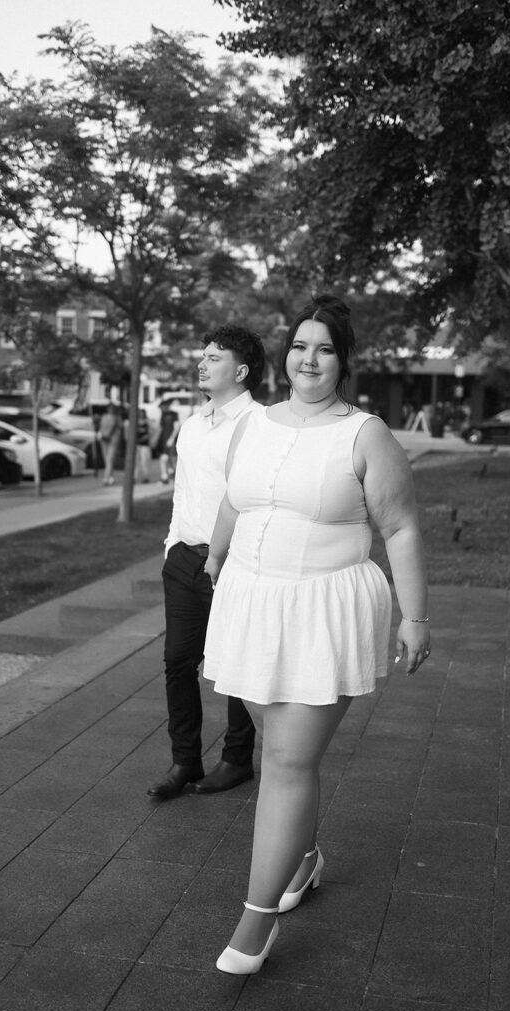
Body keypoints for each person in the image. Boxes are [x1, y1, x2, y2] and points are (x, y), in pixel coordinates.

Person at [203, 294, 430, 975]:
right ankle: (302, 856)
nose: (309, 358)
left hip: (322, 610)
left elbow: (400, 528)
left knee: (286, 764)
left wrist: (414, 616)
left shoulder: (364, 434)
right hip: (248, 603)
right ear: (283, 356)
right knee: (275, 746)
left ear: (341, 361)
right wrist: (214, 557)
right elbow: (233, 498)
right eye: (300, 346)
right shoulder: (254, 425)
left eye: (325, 348)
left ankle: (257, 919)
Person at [147, 324, 266, 800]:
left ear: (240, 370)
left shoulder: (259, 424)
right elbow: (184, 491)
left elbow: (253, 499)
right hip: (183, 559)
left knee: (235, 664)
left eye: (214, 357)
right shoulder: (193, 425)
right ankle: (184, 760)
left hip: (234, 562)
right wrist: (173, 544)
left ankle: (237, 760)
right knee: (178, 660)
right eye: (203, 354)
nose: (202, 362)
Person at [151, 400, 180, 484]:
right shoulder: (163, 415)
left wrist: (172, 438)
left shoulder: (174, 414)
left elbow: (176, 427)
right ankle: (168, 475)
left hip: (171, 440)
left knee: (167, 459)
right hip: (164, 440)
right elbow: (161, 428)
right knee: (167, 459)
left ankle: (165, 477)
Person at [98, 402, 122, 485]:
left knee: (110, 459)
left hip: (112, 440)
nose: (110, 409)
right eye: (109, 408)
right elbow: (101, 427)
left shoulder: (117, 418)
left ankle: (106, 477)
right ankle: (111, 476)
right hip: (104, 439)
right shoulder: (104, 417)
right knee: (106, 459)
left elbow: (119, 429)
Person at [133, 407, 152, 483]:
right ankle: (134, 477)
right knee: (136, 462)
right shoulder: (135, 422)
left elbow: (150, 434)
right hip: (137, 445)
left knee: (144, 461)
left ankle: (145, 477)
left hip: (145, 445)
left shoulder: (148, 423)